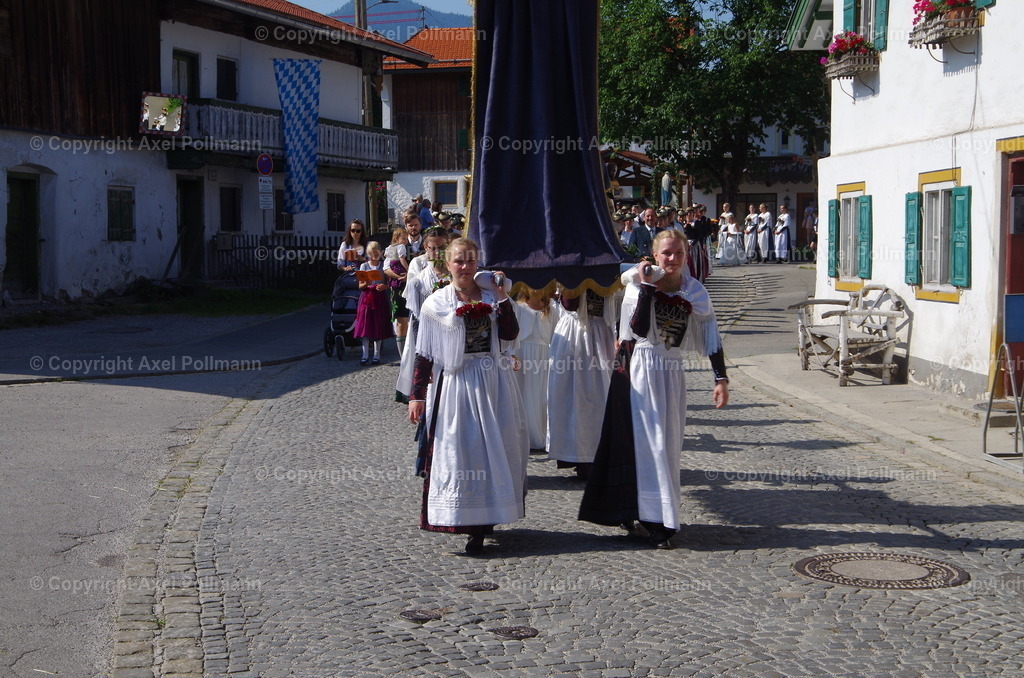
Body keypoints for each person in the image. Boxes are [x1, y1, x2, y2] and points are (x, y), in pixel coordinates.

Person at [579, 229, 729, 549]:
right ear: (655, 254)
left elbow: (711, 334)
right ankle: (655, 519)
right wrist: (647, 285)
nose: (672, 259)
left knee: (669, 445)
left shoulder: (695, 291)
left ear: (686, 256)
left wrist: (721, 379)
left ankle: (654, 512)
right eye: (666, 253)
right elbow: (636, 329)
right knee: (648, 444)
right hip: (639, 369)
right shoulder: (636, 286)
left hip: (671, 371)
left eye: (678, 253)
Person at [407, 238, 527, 556]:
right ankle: (466, 520)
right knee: (461, 453)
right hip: (456, 384)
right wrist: (416, 395)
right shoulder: (436, 304)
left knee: (493, 451)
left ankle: (488, 519)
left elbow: (510, 334)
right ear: (447, 264)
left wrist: (502, 298)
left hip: (493, 382)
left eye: (471, 260)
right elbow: (425, 353)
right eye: (459, 260)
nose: (465, 266)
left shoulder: (493, 296)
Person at [547, 285, 621, 479]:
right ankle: (574, 455)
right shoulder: (568, 272)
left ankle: (599, 456)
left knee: (598, 397)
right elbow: (570, 305)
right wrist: (571, 281)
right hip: (573, 333)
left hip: (601, 333)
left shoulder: (609, 272)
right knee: (569, 397)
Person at [396, 227, 451, 401]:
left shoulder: (454, 272)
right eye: (433, 248)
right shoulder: (418, 274)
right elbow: (416, 313)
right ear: (426, 247)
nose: (437, 252)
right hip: (427, 330)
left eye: (442, 248)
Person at [515, 288, 559, 452]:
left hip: (543, 357)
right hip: (523, 355)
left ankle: (542, 435)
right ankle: (525, 435)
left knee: (541, 395)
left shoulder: (552, 309)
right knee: (525, 393)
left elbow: (555, 335)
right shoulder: (518, 307)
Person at [353, 241, 394, 366]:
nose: (374, 256)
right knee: (365, 326)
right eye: (371, 254)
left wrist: (384, 286)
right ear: (368, 254)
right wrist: (367, 283)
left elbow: (389, 284)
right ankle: (365, 354)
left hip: (379, 297)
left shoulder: (383, 266)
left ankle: (377, 354)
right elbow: (360, 286)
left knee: (378, 325)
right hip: (366, 297)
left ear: (380, 253)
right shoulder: (364, 266)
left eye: (376, 253)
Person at [384, 227, 411, 360]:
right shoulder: (400, 247)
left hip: (405, 281)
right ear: (397, 238)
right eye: (403, 238)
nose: (405, 241)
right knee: (401, 318)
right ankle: (403, 356)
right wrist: (407, 271)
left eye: (406, 238)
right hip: (399, 281)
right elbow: (388, 266)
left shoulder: (390, 248)